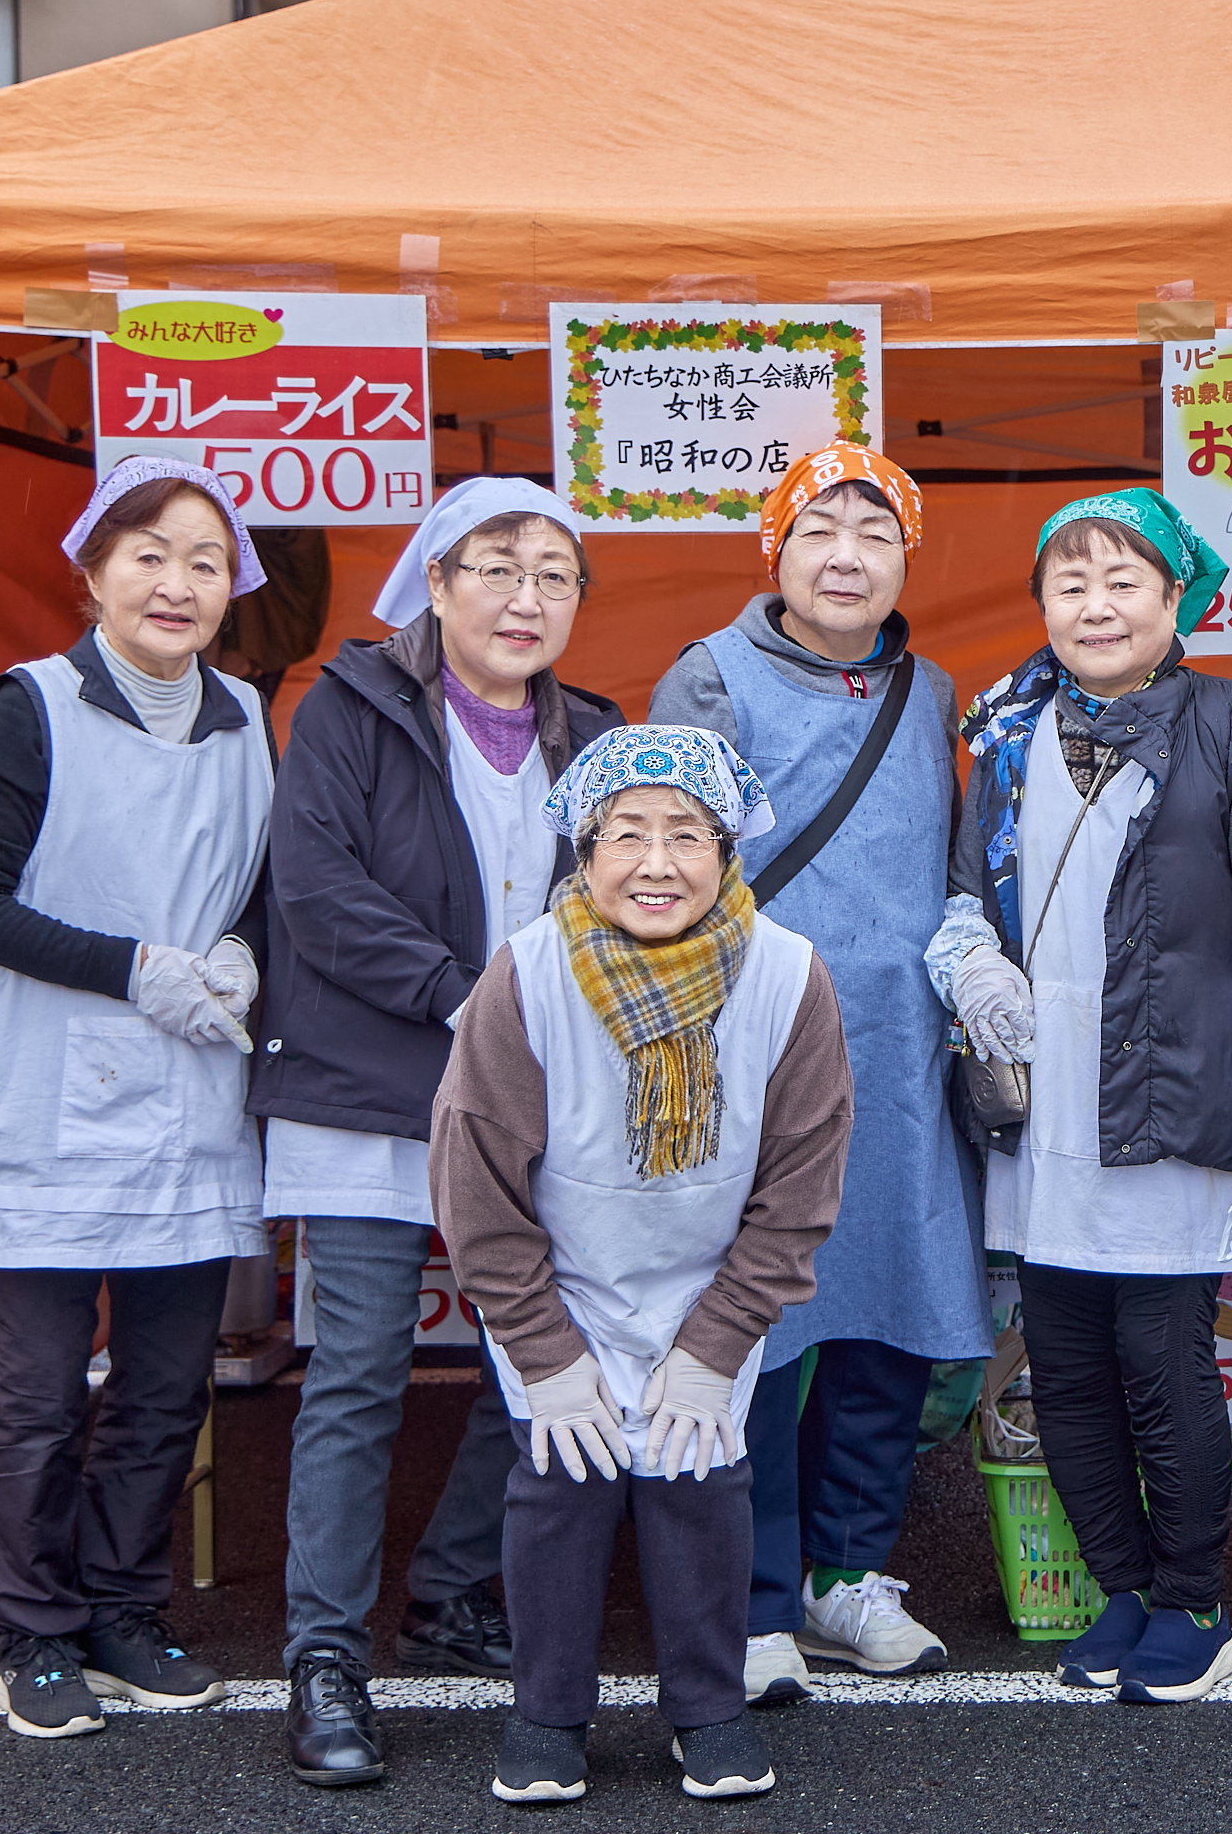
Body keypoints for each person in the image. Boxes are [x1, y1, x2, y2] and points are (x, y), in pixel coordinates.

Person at [925, 488, 1232, 1706]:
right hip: (1040, 1109)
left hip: (1176, 1099)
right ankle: (1118, 1587)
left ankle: (1196, 1603)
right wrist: (969, 960)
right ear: (1044, 603)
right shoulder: (1004, 729)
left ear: (1176, 600)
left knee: (1165, 1363)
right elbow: (961, 895)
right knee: (1065, 1362)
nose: (1096, 604)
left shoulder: (1231, 723)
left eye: (1123, 580)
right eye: (1071, 582)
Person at [254, 476, 623, 1786]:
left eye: (555, 575)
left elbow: (642, 893)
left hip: (541, 1100)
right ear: (436, 581)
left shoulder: (599, 734)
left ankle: (457, 1586)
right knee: (356, 1374)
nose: (527, 598)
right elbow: (315, 891)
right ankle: (325, 1658)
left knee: (541, 1358)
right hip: (369, 1090)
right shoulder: (347, 712)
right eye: (497, 568)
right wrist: (462, 996)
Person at [0, 456, 274, 1740]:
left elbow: (253, 883)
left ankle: (124, 1607)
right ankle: (34, 1630)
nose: (178, 582)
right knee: (42, 1389)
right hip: (43, 1101)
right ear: (94, 570)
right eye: (151, 554)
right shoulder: (34, 706)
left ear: (235, 591)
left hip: (188, 1096)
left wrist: (238, 949)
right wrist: (137, 969)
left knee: (170, 1382)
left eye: (207, 562)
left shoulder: (246, 714)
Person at [433, 727, 853, 1806]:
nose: (656, 862)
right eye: (627, 833)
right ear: (583, 849)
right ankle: (547, 1715)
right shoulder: (525, 973)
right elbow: (476, 1177)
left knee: (701, 1484)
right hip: (561, 1281)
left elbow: (801, 1185)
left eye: (686, 834)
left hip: (710, 1281)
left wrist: (718, 1340)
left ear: (728, 848)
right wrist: (542, 1346)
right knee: (560, 1488)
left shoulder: (788, 974)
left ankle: (707, 1710)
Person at [649, 443, 988, 1703]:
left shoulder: (934, 687)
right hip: (759, 1042)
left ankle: (851, 1574)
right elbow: (663, 864)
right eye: (819, 529)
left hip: (901, 1055)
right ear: (775, 550)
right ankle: (752, 1594)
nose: (847, 555)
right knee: (764, 1324)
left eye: (875, 532)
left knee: (888, 1317)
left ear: (906, 557)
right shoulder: (709, 674)